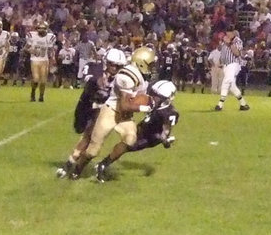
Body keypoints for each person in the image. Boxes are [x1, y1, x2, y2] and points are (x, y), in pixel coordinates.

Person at [68, 46, 157, 179]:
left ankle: (103, 164)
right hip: (111, 111)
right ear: (141, 62)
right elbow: (124, 106)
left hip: (125, 116)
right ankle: (77, 170)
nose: (152, 67)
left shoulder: (143, 77)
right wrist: (144, 108)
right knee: (93, 151)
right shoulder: (127, 76)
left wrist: (150, 102)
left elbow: (139, 99)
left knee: (130, 139)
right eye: (150, 64)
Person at [56, 48, 128, 178]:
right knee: (81, 130)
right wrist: (97, 80)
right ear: (106, 62)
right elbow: (88, 79)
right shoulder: (95, 69)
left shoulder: (121, 78)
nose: (115, 68)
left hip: (103, 109)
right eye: (112, 64)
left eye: (118, 66)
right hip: (87, 105)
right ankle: (73, 163)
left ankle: (70, 165)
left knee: (89, 136)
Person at [94, 80, 180, 183]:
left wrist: (164, 140)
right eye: (154, 94)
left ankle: (102, 165)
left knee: (127, 146)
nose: (153, 97)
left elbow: (166, 131)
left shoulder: (169, 113)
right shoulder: (152, 102)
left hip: (151, 137)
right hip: (143, 127)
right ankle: (103, 164)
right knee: (126, 143)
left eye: (158, 96)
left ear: (166, 99)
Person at [214, 26, 249, 111]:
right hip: (226, 65)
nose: (227, 34)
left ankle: (220, 104)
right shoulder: (225, 40)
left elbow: (237, 53)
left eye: (229, 32)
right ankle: (243, 104)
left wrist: (229, 43)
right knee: (231, 85)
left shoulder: (237, 41)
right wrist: (220, 61)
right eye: (227, 32)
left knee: (226, 82)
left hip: (234, 64)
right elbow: (221, 51)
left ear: (233, 32)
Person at [25, 21, 56, 102]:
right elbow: (25, 48)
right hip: (34, 60)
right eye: (40, 28)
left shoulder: (50, 37)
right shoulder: (32, 36)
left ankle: (41, 96)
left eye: (43, 29)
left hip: (44, 60)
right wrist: (30, 50)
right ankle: (33, 94)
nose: (41, 30)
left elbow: (51, 50)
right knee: (35, 79)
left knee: (43, 81)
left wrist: (53, 59)